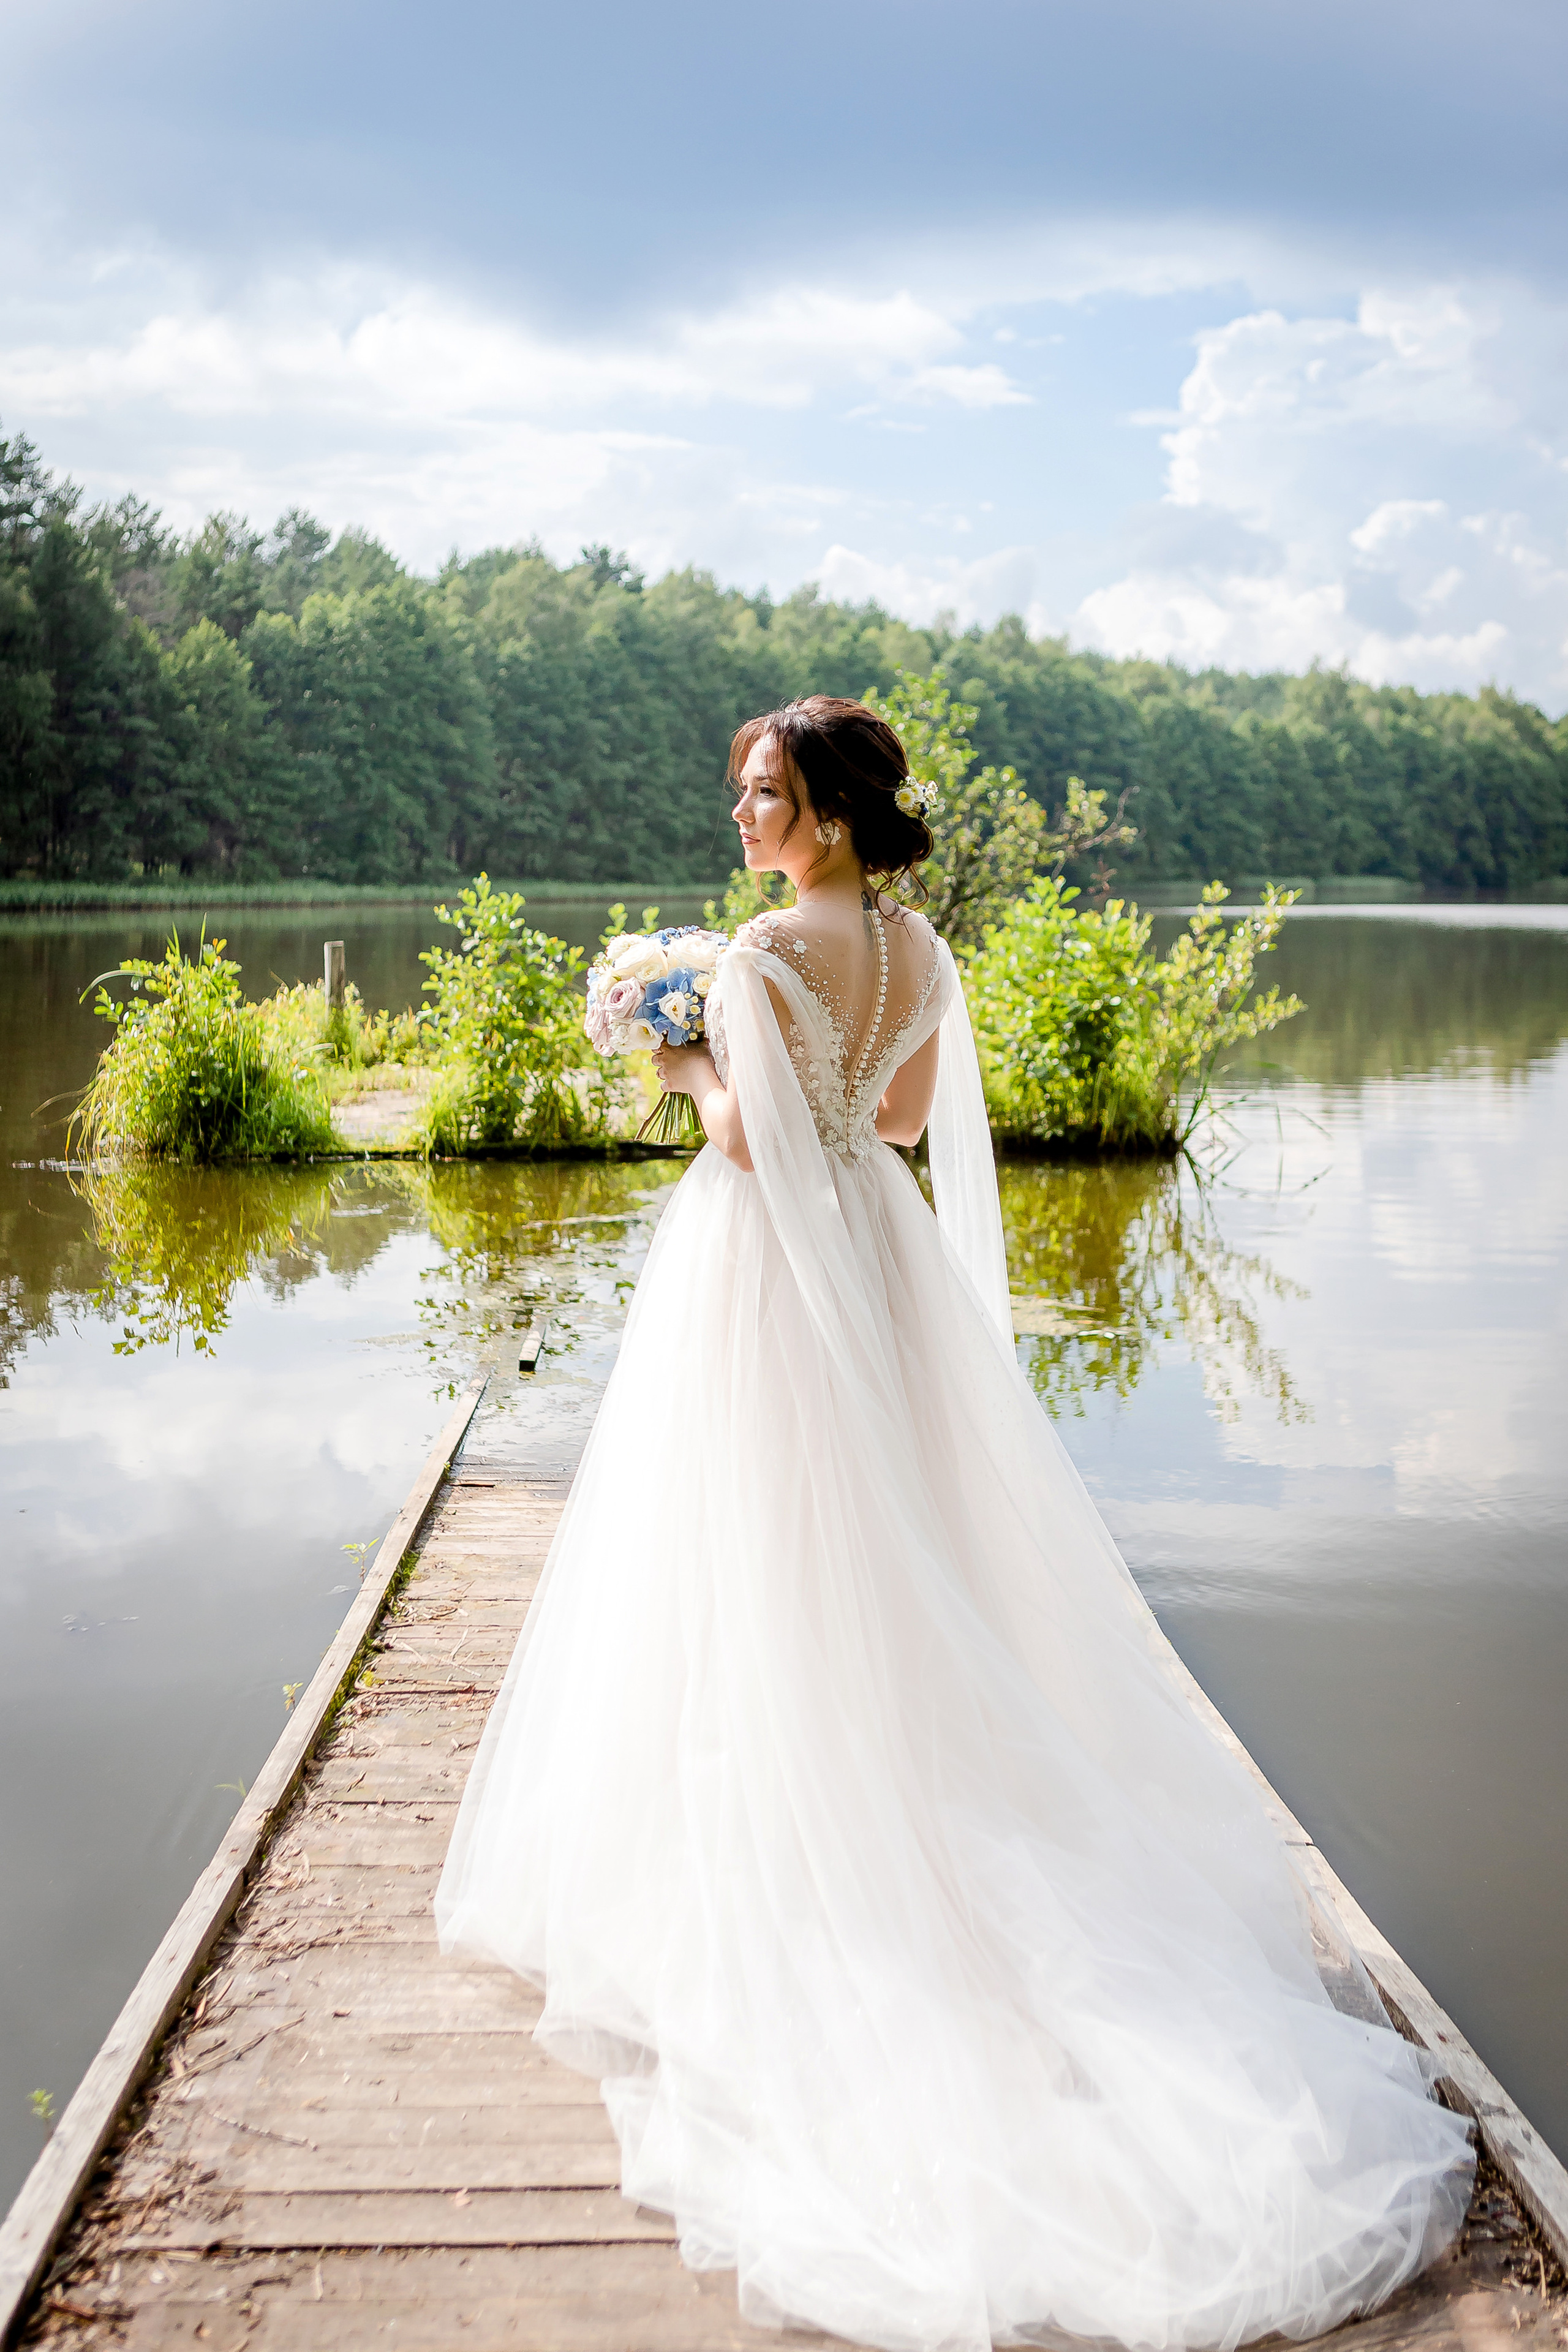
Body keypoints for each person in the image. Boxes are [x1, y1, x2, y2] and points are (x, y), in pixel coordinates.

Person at [435, 696, 1472, 2352]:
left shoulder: (765, 957)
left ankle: (798, 1823)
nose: (747, 822)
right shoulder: (921, 954)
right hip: (885, 1256)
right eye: (743, 799)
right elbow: (899, 1127)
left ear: (832, 812)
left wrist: (666, 1035)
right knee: (887, 1533)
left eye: (768, 798)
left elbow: (746, 1145)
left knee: (760, 1533)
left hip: (773, 1268)